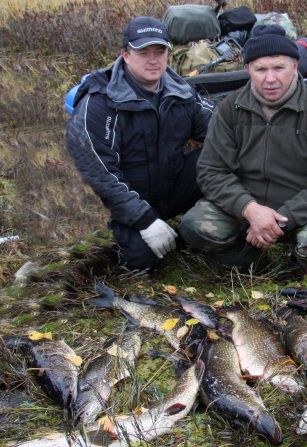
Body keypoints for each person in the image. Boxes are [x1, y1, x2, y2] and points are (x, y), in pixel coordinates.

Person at [178, 24, 307, 277]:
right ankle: (248, 262)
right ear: (248, 70)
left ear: (294, 66)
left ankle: (304, 271)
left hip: (302, 213)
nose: (270, 78)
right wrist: (250, 210)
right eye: (261, 69)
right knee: (195, 226)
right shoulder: (228, 110)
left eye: (279, 68)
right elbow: (212, 172)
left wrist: (280, 218)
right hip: (246, 211)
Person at [66, 16, 215, 271]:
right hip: (119, 206)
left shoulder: (180, 91)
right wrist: (144, 220)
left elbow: (222, 131)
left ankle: (216, 228)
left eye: (160, 51)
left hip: (168, 189)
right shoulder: (100, 103)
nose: (153, 60)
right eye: (143, 52)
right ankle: (78, 256)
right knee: (141, 260)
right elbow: (99, 174)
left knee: (221, 156)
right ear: (125, 55)